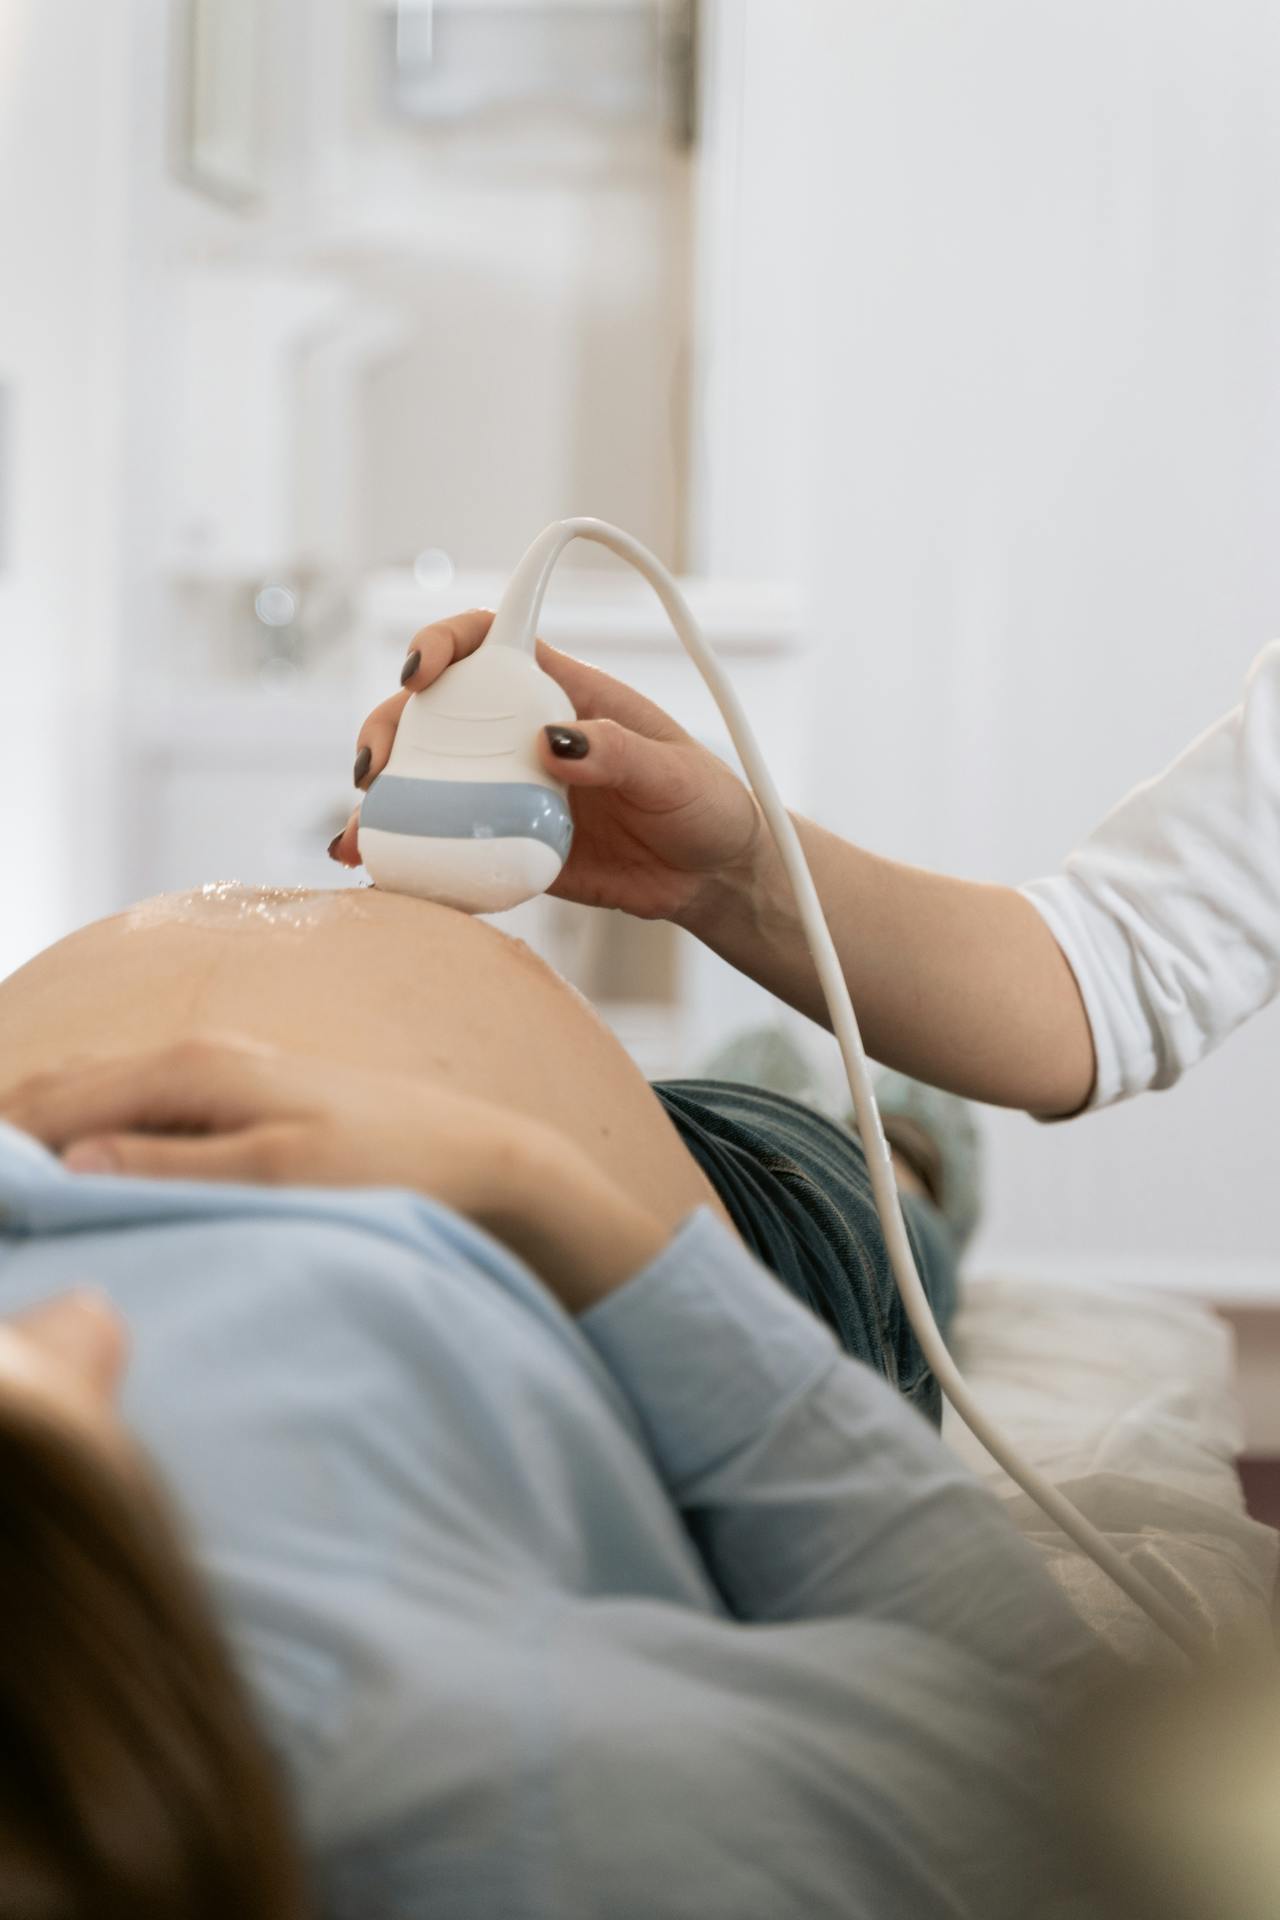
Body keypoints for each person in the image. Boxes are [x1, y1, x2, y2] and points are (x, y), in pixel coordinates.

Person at [0, 874, 1096, 1917]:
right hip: (639, 1237)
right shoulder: (490, 1787)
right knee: (861, 1196)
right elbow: (1057, 1761)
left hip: (495, 1139)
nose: (77, 1321)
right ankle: (902, 1154)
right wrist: (521, 1178)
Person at [332, 615, 1280, 1122]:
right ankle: (899, 1142)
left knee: (802, 1158)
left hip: (695, 1181)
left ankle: (906, 1155)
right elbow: (1110, 978)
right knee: (762, 1121)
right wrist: (731, 871)